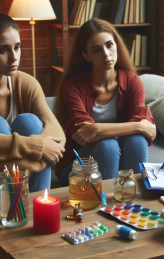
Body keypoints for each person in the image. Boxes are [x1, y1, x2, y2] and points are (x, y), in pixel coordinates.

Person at [54, 18, 155, 185]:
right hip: (79, 166)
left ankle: (135, 195)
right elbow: (84, 135)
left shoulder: (132, 81)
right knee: (108, 145)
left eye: (109, 45)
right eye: (96, 50)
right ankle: (104, 203)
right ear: (86, 56)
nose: (106, 54)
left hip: (119, 160)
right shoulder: (73, 86)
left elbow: (144, 130)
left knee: (136, 140)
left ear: (116, 44)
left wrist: (97, 129)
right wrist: (138, 125)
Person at [0, 13, 66, 202]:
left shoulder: (26, 83)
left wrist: (14, 164)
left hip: (23, 186)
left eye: (17, 47)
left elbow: (57, 134)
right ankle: (23, 213)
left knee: (30, 122)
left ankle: (28, 211)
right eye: (3, 50)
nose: (14, 58)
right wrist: (38, 146)